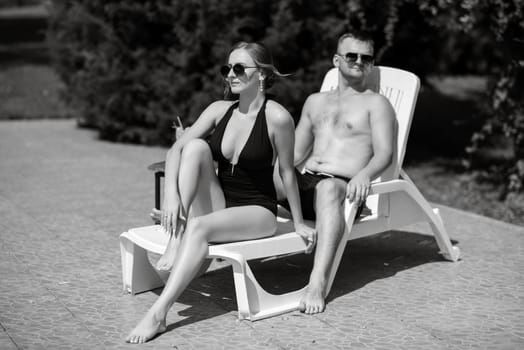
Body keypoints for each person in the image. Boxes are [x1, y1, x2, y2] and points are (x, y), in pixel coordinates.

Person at [126, 42, 316, 344]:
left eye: (239, 68)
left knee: (201, 227)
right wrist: (172, 197)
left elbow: (287, 172)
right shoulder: (219, 109)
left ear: (262, 75)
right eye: (226, 68)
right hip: (221, 203)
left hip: (257, 210)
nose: (230, 74)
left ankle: (159, 313)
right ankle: (179, 232)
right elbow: (176, 149)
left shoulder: (278, 118)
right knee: (196, 147)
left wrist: (299, 222)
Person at [276, 31, 396, 315]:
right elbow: (294, 154)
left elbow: (385, 153)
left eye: (366, 58)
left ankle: (317, 282)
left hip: (342, 188)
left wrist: (365, 174)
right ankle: (213, 221)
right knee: (261, 170)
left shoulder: (376, 104)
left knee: (327, 188)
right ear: (336, 60)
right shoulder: (315, 101)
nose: (358, 62)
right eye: (351, 55)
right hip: (306, 183)